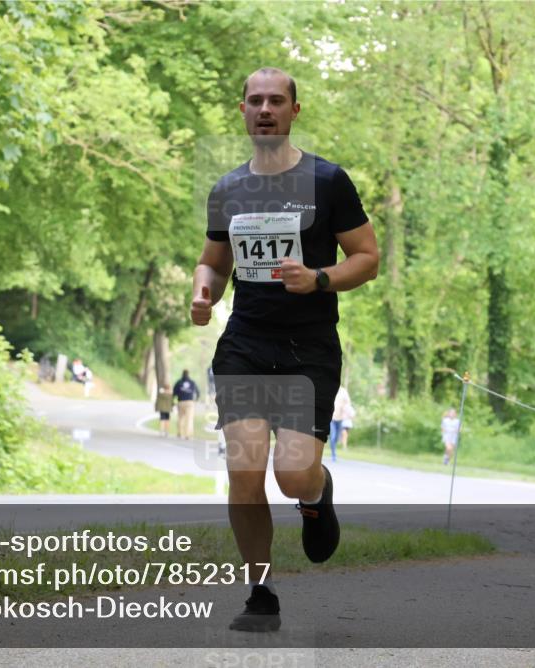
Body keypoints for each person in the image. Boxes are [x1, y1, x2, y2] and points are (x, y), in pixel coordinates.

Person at [189, 67, 379, 632]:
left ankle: (316, 495)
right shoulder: (228, 189)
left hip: (308, 347)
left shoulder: (327, 181)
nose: (265, 109)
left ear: (296, 110)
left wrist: (319, 279)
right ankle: (260, 591)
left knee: (292, 475)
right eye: (255, 101)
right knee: (245, 473)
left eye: (277, 100)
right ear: (242, 110)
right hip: (245, 342)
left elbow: (367, 257)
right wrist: (203, 291)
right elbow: (213, 261)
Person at [172, 370, 200, 440]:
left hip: (181, 402)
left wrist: (173, 401)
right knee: (189, 419)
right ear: (188, 374)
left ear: (182, 374)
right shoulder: (192, 382)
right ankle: (188, 435)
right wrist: (196, 400)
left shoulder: (179, 382)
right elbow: (198, 392)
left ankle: (180, 433)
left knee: (180, 418)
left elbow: (174, 393)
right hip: (189, 403)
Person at [328, 386, 352, 462]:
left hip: (340, 419)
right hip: (332, 418)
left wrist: (347, 412)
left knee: (336, 438)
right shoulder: (331, 389)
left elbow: (348, 404)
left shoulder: (344, 391)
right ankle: (333, 455)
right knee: (333, 436)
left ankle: (334, 448)